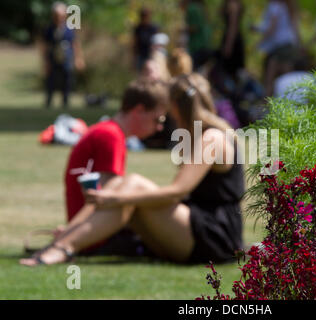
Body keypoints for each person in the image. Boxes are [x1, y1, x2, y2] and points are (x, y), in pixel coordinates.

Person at [20, 74, 245, 266]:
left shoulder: (212, 138)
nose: (164, 121)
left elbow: (177, 191)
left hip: (215, 236)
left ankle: (64, 248)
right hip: (201, 231)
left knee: (131, 185)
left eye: (166, 113)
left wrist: (116, 198)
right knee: (125, 186)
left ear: (176, 107)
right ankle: (64, 242)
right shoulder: (206, 135)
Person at [252, 0, 303, 96]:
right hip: (289, 45)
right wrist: (300, 45)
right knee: (287, 78)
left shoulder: (275, 5)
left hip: (279, 47)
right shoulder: (287, 6)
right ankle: (289, 101)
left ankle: (266, 103)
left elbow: (271, 28)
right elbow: (294, 29)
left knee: (270, 78)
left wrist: (259, 43)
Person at [42, 2, 85, 108]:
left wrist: (78, 59)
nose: (59, 18)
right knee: (51, 80)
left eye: (61, 15)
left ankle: (65, 102)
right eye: (56, 15)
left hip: (66, 57)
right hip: (53, 57)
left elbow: (75, 44)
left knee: (67, 79)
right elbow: (45, 46)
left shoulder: (70, 28)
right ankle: (49, 101)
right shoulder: (49, 29)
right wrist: (46, 61)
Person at [180, 0, 213, 70]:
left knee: (194, 71)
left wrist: (182, 29)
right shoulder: (200, 7)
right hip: (205, 44)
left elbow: (194, 27)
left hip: (197, 46)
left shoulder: (191, 9)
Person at [218, 0, 245, 81]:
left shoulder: (233, 4)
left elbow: (233, 26)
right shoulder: (233, 3)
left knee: (230, 70)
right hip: (233, 39)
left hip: (232, 40)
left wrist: (228, 45)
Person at [133, 7, 160, 72]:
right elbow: (134, 43)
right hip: (141, 55)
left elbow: (158, 42)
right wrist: (133, 58)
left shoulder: (154, 28)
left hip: (151, 55)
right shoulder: (138, 28)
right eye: (143, 16)